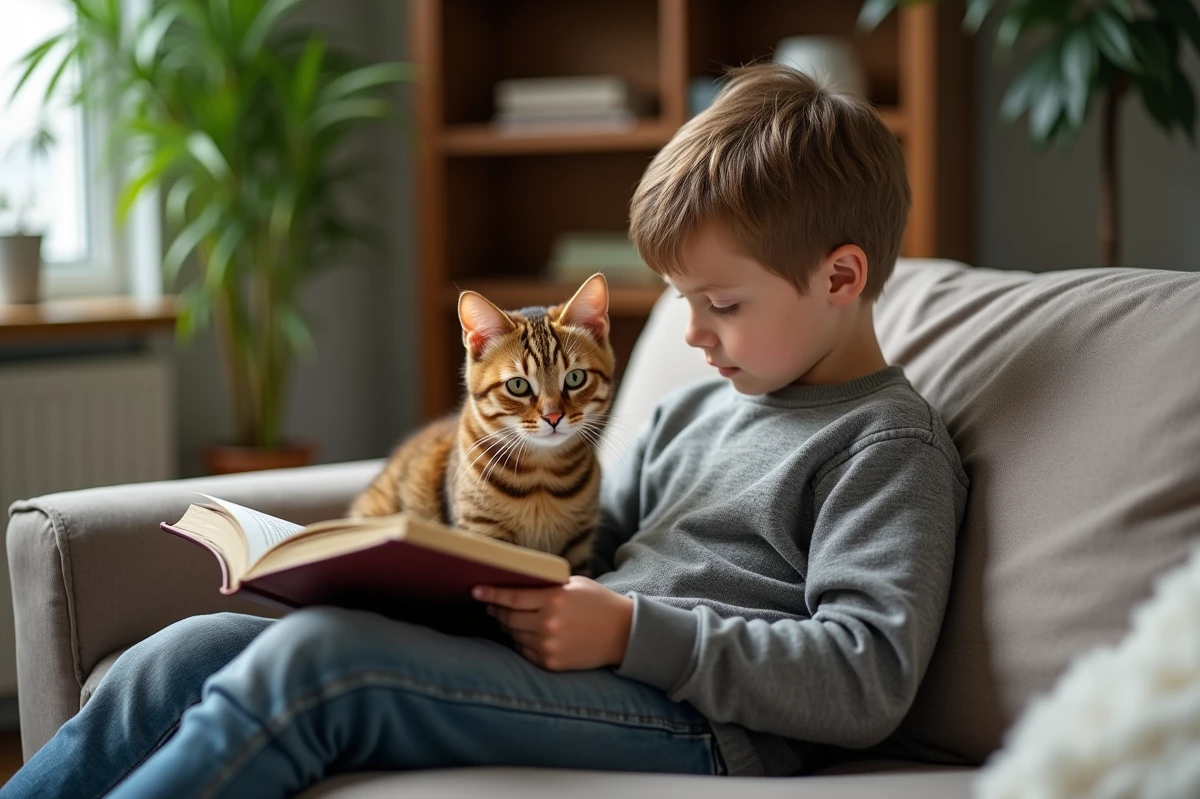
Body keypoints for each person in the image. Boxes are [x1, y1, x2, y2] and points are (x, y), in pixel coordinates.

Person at [0, 63, 969, 798]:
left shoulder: (885, 444)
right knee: (188, 647)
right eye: (680, 299)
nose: (689, 333)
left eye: (719, 302)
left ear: (841, 277)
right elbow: (598, 536)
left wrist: (635, 628)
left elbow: (864, 675)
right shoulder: (703, 403)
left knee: (316, 665)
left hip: (704, 720)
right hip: (579, 659)